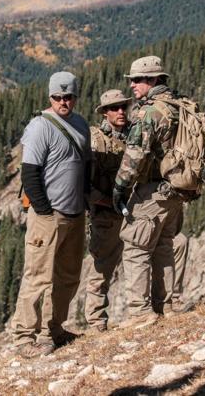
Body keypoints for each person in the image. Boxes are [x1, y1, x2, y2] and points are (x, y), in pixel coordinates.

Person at [11, 71, 91, 358]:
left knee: (67, 275)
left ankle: (53, 330)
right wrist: (43, 211)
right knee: (38, 275)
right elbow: (29, 172)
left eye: (68, 97)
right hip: (48, 214)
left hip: (75, 212)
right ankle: (23, 337)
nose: (63, 102)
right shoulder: (39, 127)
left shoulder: (81, 124)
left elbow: (86, 166)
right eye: (58, 97)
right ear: (50, 97)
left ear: (75, 97)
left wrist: (86, 201)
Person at [113, 55, 196, 328]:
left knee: (136, 247)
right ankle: (167, 305)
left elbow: (136, 155)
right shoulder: (180, 105)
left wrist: (120, 187)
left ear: (153, 80)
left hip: (152, 191)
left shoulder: (149, 112)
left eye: (137, 80)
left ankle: (139, 313)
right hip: (176, 191)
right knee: (164, 246)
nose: (133, 85)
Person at [85, 89, 131, 332]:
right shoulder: (94, 140)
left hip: (132, 212)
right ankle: (96, 322)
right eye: (114, 108)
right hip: (105, 214)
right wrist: (104, 201)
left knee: (137, 264)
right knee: (101, 269)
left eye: (123, 106)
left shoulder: (134, 135)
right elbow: (84, 184)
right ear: (105, 112)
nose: (121, 111)